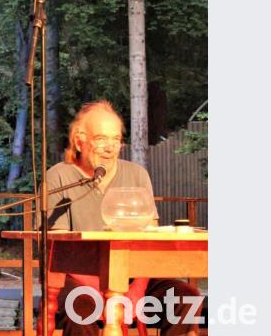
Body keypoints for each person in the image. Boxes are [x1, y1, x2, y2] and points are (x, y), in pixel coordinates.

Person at [42, 100, 202, 336]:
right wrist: (108, 293)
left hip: (134, 279)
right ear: (79, 141)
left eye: (115, 139)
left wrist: (136, 288)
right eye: (101, 139)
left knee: (185, 298)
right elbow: (59, 249)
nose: (110, 148)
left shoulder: (137, 175)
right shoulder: (58, 177)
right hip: (79, 280)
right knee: (79, 307)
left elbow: (149, 241)